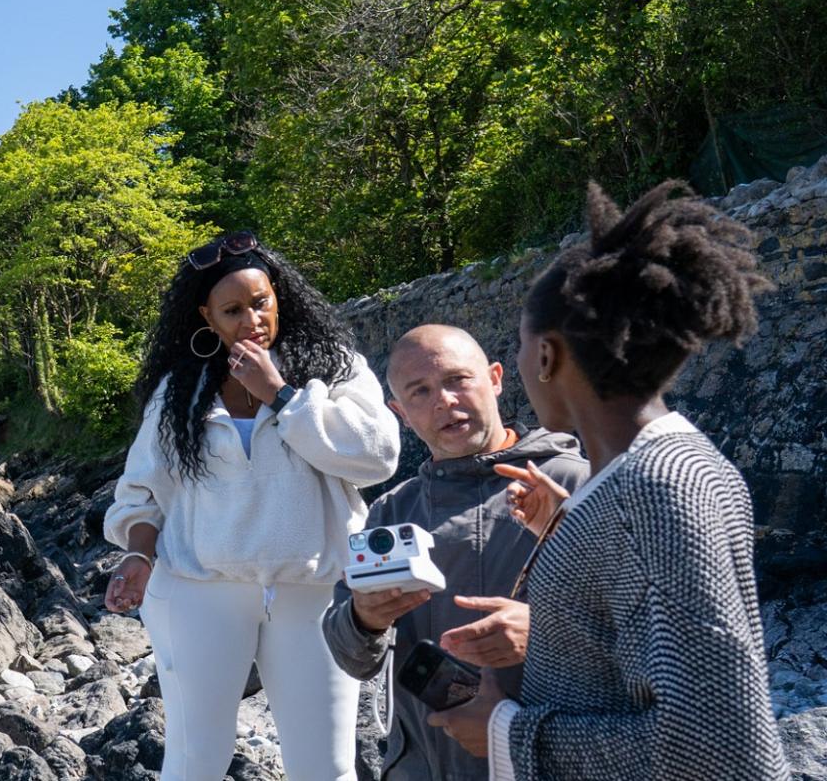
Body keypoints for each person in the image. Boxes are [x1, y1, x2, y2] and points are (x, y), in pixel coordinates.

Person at [423, 181, 791, 779]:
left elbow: (717, 746)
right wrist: (571, 529)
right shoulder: (650, 478)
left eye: (520, 348)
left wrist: (505, 732)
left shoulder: (657, 490)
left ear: (546, 357)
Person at [102, 231, 402, 781]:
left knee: (327, 768)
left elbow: (378, 457)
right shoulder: (179, 392)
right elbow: (140, 494)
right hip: (198, 592)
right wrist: (138, 557)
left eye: (261, 303)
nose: (252, 320)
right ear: (206, 317)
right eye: (232, 310)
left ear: (279, 296)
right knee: (195, 763)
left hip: (314, 591)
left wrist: (282, 395)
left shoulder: (335, 367)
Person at [320, 325, 589, 780]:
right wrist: (364, 618)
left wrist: (543, 633)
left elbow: (641, 635)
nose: (444, 401)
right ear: (400, 413)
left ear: (496, 378)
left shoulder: (575, 484)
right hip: (423, 767)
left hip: (547, 762)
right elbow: (350, 657)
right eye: (420, 392)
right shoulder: (391, 511)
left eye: (457, 380)